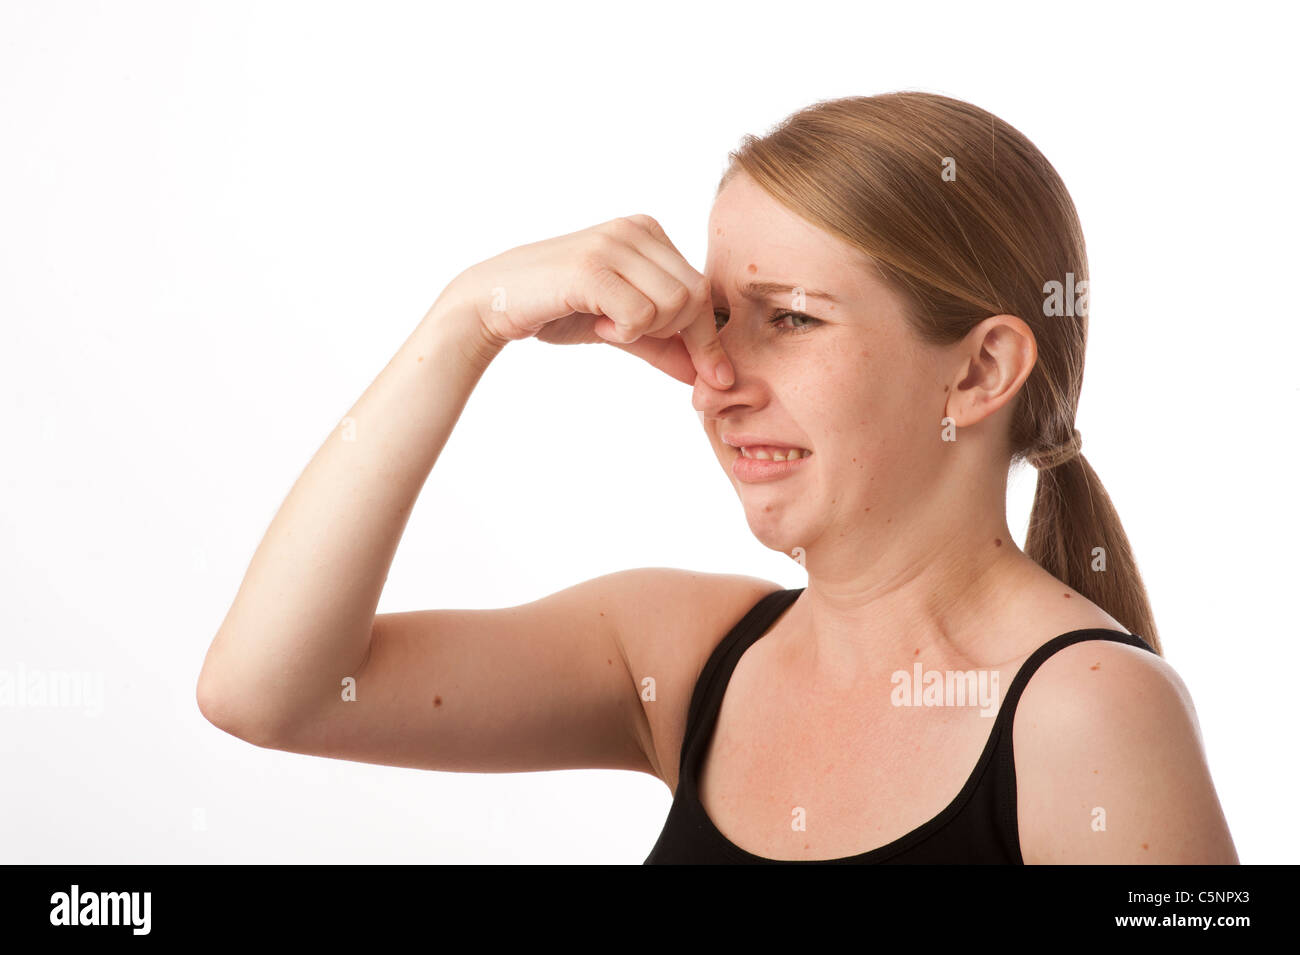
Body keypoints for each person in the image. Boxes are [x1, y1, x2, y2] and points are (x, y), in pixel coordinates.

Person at [196, 91, 1238, 864]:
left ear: (977, 371)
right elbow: (268, 693)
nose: (715, 380)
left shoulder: (1093, 713)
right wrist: (467, 319)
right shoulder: (682, 655)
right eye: (722, 319)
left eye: (790, 317)